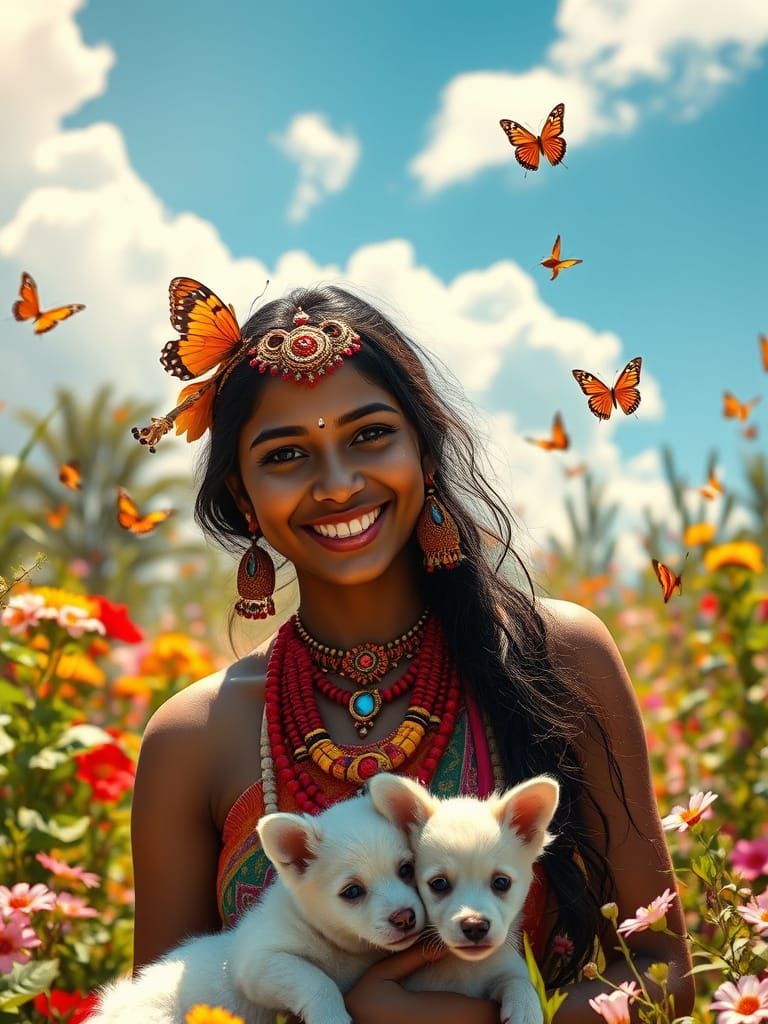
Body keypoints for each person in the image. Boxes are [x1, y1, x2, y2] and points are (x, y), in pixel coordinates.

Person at [128, 283, 694, 1024]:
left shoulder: (555, 658)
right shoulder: (194, 739)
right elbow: (158, 1008)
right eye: (288, 454)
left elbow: (664, 966)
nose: (337, 484)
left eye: (369, 436)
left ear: (424, 453)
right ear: (243, 498)